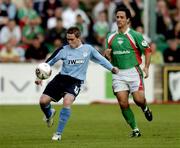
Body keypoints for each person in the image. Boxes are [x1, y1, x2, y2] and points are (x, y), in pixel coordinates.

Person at [35, 26, 119, 141]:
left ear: (79, 38)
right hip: (61, 78)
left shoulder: (88, 49)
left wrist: (112, 68)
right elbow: (49, 62)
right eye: (67, 39)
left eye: (72, 39)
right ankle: (49, 114)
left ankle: (58, 134)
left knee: (67, 101)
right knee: (42, 101)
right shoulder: (63, 50)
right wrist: (40, 77)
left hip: (75, 81)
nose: (69, 42)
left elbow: (101, 59)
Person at [103, 7, 153, 137]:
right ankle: (135, 129)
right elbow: (108, 56)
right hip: (118, 73)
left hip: (133, 71)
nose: (119, 19)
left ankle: (145, 107)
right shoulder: (110, 36)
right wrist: (107, 55)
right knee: (122, 101)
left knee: (138, 99)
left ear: (128, 20)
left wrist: (146, 67)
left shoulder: (135, 35)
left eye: (121, 17)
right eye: (117, 17)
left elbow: (147, 50)